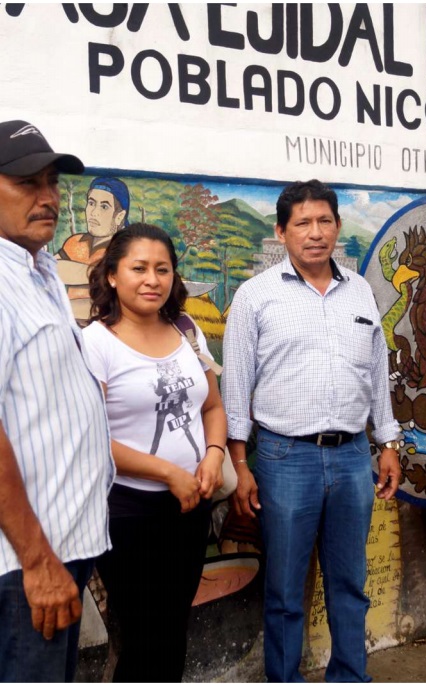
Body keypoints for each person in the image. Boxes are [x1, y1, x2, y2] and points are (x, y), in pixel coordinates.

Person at [222, 179, 402, 683]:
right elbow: (236, 389)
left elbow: (375, 373)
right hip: (284, 460)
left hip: (350, 457)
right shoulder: (256, 297)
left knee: (350, 582)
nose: (315, 233)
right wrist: (240, 465)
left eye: (324, 221)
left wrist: (387, 443)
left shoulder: (360, 290)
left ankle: (349, 675)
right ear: (281, 232)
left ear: (338, 227)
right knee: (283, 590)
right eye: (302, 223)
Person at [82, 223, 227, 682]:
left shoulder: (187, 331)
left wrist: (214, 455)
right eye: (138, 268)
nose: (152, 279)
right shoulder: (96, 344)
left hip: (190, 504)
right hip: (130, 510)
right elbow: (90, 437)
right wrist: (167, 472)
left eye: (162, 269)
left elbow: (214, 406)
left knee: (174, 627)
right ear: (111, 276)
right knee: (145, 633)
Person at [0, 119, 114, 681]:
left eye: (52, 182)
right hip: (24, 561)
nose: (47, 197)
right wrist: (39, 561)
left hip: (58, 546)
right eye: (26, 183)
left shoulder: (37, 269)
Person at [57, 176, 130, 323]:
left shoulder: (127, 247)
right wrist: (100, 274)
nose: (93, 212)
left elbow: (114, 304)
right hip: (69, 327)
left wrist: (71, 271)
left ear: (120, 216)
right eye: (91, 203)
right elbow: (50, 270)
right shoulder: (74, 242)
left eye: (104, 206)